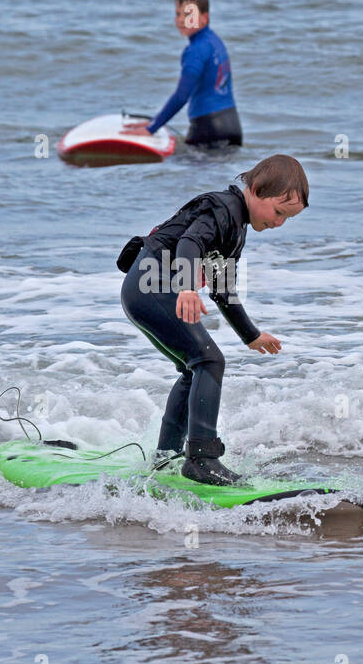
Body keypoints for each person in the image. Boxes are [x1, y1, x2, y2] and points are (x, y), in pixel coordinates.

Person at [117, 155, 308, 485]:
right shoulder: (222, 209)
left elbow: (222, 287)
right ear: (257, 189)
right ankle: (202, 458)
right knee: (209, 360)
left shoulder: (237, 228)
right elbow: (190, 242)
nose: (279, 223)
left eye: (286, 219)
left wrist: (251, 335)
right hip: (150, 286)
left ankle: (166, 458)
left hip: (145, 289)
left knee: (195, 367)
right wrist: (188, 287)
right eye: (278, 212)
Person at [121, 0, 242, 148]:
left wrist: (151, 128)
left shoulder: (195, 50)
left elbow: (182, 95)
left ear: (204, 18)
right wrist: (154, 121)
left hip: (208, 128)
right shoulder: (215, 41)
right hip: (232, 125)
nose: (181, 20)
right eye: (178, 14)